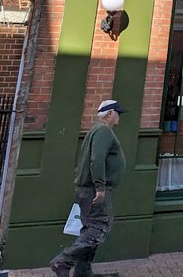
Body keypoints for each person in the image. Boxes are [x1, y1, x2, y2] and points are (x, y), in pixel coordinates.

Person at [51, 100, 127, 277]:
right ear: (109, 113)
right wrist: (100, 187)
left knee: (90, 228)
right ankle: (62, 261)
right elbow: (97, 159)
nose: (119, 118)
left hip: (88, 189)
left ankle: (83, 271)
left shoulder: (96, 130)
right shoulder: (103, 131)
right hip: (94, 190)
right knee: (99, 228)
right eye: (118, 113)